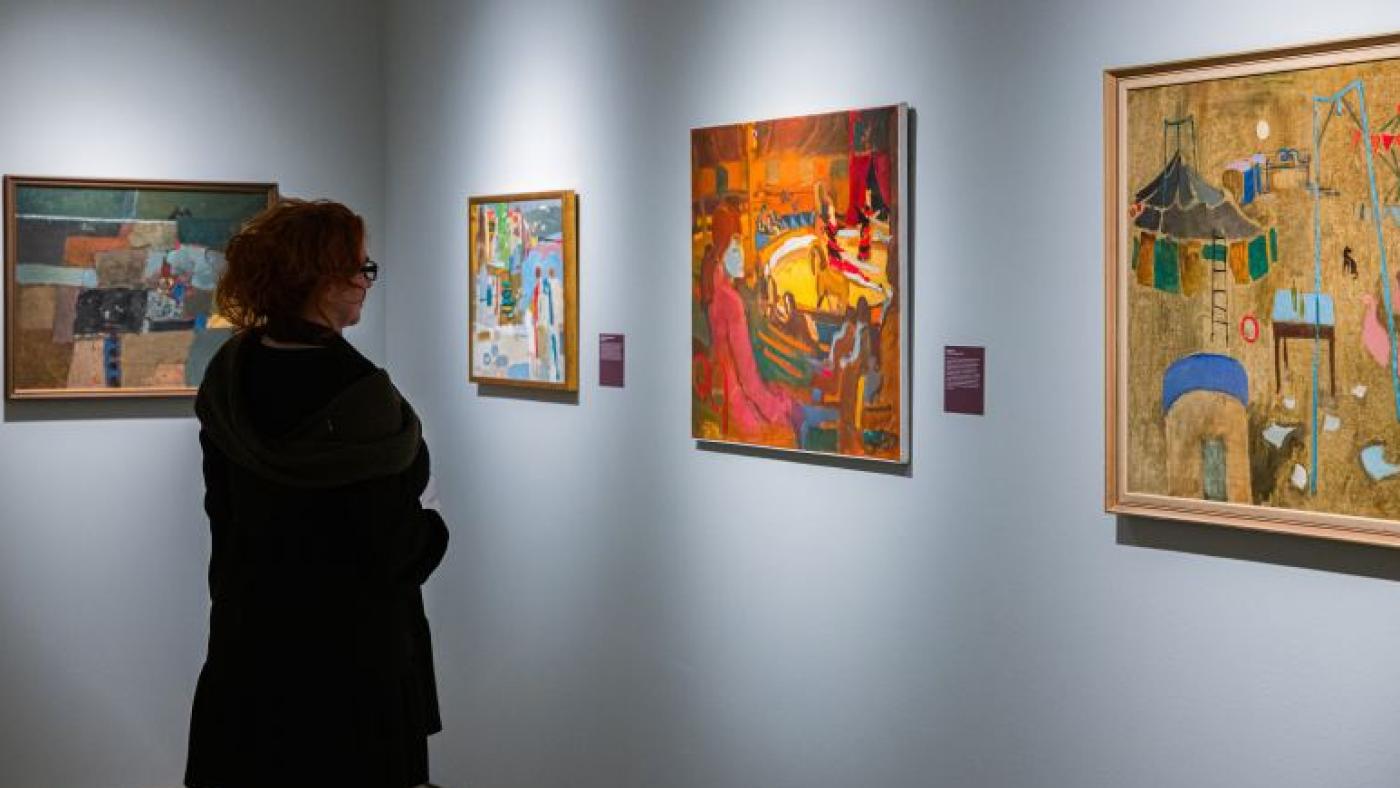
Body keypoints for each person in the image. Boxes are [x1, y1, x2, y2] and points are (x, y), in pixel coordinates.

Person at [185, 199, 448, 788]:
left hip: (251, 648)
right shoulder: (363, 400)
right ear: (321, 280)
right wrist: (433, 528)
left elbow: (223, 518)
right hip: (351, 668)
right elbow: (391, 549)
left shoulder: (231, 375)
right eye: (359, 268)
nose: (365, 283)